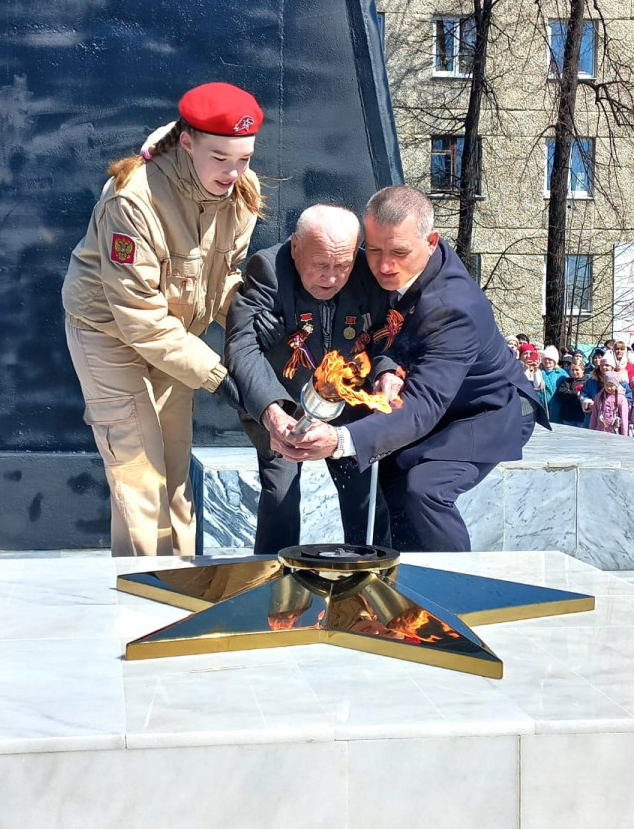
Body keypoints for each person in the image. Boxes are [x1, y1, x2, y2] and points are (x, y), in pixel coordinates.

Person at [278, 185, 544, 552]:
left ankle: (454, 589)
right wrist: (388, 367)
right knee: (386, 474)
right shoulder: (387, 264)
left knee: (424, 488)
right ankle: (401, 584)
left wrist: (340, 441)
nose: (384, 266)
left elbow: (422, 408)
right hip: (431, 396)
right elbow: (374, 332)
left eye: (399, 252)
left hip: (485, 408)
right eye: (373, 250)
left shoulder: (454, 309)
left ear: (431, 241)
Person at [61, 82, 263, 556]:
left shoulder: (240, 193)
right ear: (187, 141)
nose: (234, 173)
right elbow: (140, 320)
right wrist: (219, 374)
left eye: (245, 159)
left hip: (176, 337)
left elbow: (222, 275)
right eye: (221, 158)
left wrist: (251, 321)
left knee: (174, 474)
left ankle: (181, 588)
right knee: (140, 474)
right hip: (108, 335)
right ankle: (140, 597)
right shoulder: (132, 200)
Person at [224, 205, 391, 553]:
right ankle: (273, 580)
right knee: (280, 495)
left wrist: (385, 371)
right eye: (320, 264)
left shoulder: (365, 271)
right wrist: (272, 413)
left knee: (366, 498)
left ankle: (371, 577)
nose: (331, 277)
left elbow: (387, 331)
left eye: (341, 266)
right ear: (296, 246)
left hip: (348, 404)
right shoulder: (268, 268)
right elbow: (241, 346)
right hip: (285, 404)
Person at [589, 371, 630, 436]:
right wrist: (591, 431)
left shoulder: (621, 399)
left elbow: (624, 418)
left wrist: (624, 435)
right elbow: (594, 415)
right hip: (599, 431)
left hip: (615, 432)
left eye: (611, 385)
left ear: (616, 385)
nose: (609, 388)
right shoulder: (599, 397)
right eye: (607, 385)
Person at [554, 359, 588, 427]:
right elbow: (561, 394)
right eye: (572, 370)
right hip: (567, 417)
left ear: (583, 370)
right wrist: (575, 393)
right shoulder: (567, 382)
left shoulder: (587, 382)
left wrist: (569, 394)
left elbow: (583, 397)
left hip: (581, 417)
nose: (574, 372)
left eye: (577, 370)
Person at [539, 346, 567, 422]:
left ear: (554, 360)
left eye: (550, 359)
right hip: (541, 404)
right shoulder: (538, 372)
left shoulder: (562, 373)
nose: (547, 361)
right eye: (545, 359)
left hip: (557, 405)